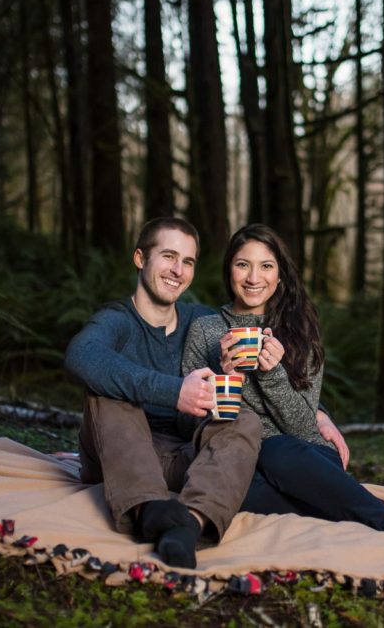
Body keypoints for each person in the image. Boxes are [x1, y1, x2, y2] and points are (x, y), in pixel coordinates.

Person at [181, 224, 384, 544]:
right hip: (240, 459)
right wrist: (228, 378)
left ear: (280, 274)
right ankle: (348, 504)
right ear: (228, 269)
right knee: (236, 486)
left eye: (266, 266)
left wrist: (273, 373)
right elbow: (194, 420)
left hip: (302, 457)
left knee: (276, 452)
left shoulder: (301, 332)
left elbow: (303, 429)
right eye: (242, 264)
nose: (253, 277)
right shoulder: (205, 330)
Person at [64, 217, 263, 569]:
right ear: (140, 258)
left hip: (183, 458)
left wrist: (318, 412)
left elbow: (259, 353)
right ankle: (150, 509)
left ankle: (188, 525)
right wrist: (174, 392)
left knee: (242, 417)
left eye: (187, 262)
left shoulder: (199, 322)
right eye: (168, 256)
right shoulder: (117, 319)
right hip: (119, 456)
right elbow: (81, 355)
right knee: (107, 393)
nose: (178, 270)